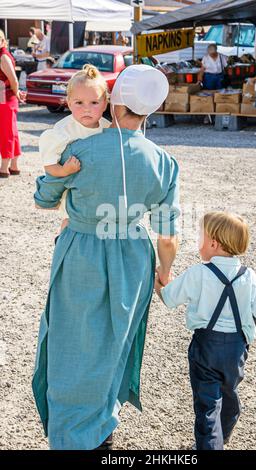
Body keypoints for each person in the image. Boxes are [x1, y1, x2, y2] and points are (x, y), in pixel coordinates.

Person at [32, 64, 180, 450]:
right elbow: (167, 235)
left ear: (112, 103)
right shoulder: (163, 161)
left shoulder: (77, 148)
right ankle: (102, 432)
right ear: (149, 111)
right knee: (115, 344)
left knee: (72, 342)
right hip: (133, 255)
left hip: (82, 249)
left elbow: (44, 199)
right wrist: (164, 272)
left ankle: (68, 434)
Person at [155, 211, 256, 450]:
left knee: (207, 404)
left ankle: (210, 444)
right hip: (236, 349)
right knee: (229, 394)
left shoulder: (199, 273)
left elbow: (169, 298)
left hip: (206, 347)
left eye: (200, 236)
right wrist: (246, 337)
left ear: (213, 244)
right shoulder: (249, 276)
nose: (198, 241)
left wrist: (159, 283)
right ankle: (222, 435)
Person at [39, 64, 110, 233]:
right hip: (74, 196)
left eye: (94, 102)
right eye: (79, 102)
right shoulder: (63, 132)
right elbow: (49, 166)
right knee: (70, 224)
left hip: (100, 192)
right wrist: (64, 170)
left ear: (105, 104)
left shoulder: (108, 128)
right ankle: (64, 248)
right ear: (69, 103)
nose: (87, 108)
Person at [0, 29, 26, 178]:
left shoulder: (3, 56)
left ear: (3, 41)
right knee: (12, 132)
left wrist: (16, 93)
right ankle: (14, 166)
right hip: (5, 97)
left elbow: (14, 80)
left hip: (6, 98)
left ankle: (4, 168)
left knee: (6, 133)